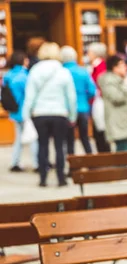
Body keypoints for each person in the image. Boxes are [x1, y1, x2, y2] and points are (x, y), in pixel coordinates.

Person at [22, 42, 77, 187]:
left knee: (42, 145)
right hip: (59, 113)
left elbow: (30, 95)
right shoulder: (63, 71)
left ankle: (43, 178)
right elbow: (71, 97)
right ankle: (61, 178)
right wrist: (72, 116)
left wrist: (26, 114)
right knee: (60, 146)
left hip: (40, 113)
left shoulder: (35, 70)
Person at [5, 51, 38, 172]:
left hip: (14, 111)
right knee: (33, 137)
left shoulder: (8, 76)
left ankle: (15, 162)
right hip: (25, 111)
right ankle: (37, 163)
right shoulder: (24, 76)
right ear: (23, 61)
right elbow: (31, 94)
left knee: (19, 138)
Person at [60, 46, 95, 156]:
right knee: (85, 138)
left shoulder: (61, 73)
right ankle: (91, 163)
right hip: (83, 108)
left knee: (69, 140)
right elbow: (92, 90)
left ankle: (72, 166)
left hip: (66, 110)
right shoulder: (83, 72)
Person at [98, 55, 127, 152]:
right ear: (114, 68)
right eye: (122, 65)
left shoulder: (119, 80)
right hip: (117, 121)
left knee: (125, 146)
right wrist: (126, 84)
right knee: (122, 149)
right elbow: (117, 97)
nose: (126, 67)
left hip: (123, 119)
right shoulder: (109, 81)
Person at [87, 42, 111, 153]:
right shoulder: (95, 66)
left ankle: (104, 152)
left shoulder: (100, 66)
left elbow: (99, 83)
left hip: (99, 101)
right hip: (95, 100)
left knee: (100, 128)